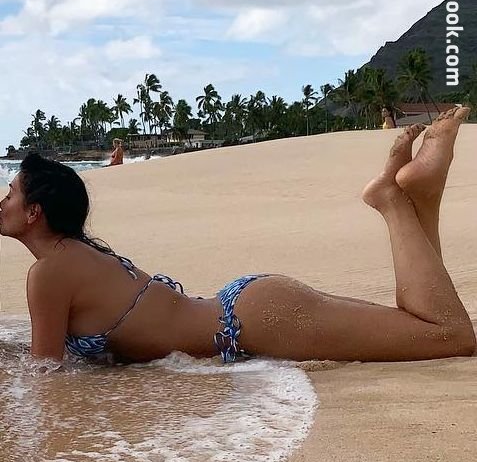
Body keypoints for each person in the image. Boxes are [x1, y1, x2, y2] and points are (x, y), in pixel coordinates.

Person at [0, 108, 474, 365]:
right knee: (415, 324)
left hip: (255, 322)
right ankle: (422, 200)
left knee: (447, 336)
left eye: (10, 193)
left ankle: (392, 200)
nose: (2, 201)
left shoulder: (50, 272)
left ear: (35, 212)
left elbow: (47, 373)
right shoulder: (74, 257)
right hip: (248, 309)